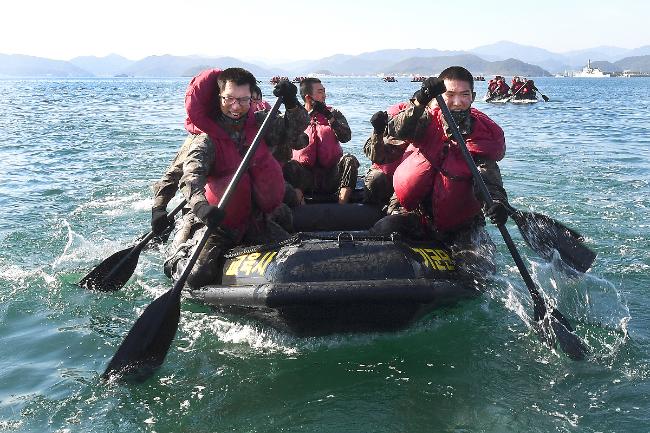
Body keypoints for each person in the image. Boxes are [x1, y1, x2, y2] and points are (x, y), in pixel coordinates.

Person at [166, 67, 308, 288]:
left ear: (252, 98)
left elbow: (295, 129)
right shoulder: (207, 139)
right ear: (220, 97)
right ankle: (180, 252)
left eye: (243, 100)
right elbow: (191, 177)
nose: (235, 106)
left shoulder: (262, 124)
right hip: (221, 223)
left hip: (256, 219)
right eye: (229, 99)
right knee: (197, 276)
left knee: (296, 260)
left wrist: (291, 101)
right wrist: (202, 208)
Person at [370, 66, 510, 276]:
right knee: (383, 229)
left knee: (480, 272)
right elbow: (398, 130)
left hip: (461, 224)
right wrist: (420, 101)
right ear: (440, 97)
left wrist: (497, 203)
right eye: (450, 95)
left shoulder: (479, 135)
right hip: (416, 213)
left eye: (464, 95)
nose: (457, 101)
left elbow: (488, 174)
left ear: (473, 97)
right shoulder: (425, 121)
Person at [283, 78, 359, 204]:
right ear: (308, 97)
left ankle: (342, 206)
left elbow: (346, 137)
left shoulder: (334, 113)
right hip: (306, 177)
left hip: (330, 175)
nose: (324, 95)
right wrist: (310, 114)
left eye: (324, 91)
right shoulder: (296, 117)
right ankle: (301, 207)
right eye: (320, 92)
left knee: (349, 160)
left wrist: (329, 117)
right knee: (290, 166)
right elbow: (287, 140)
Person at [362, 91, 418, 209]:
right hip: (387, 178)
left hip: (411, 180)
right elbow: (376, 156)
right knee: (377, 178)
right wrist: (378, 131)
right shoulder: (394, 119)